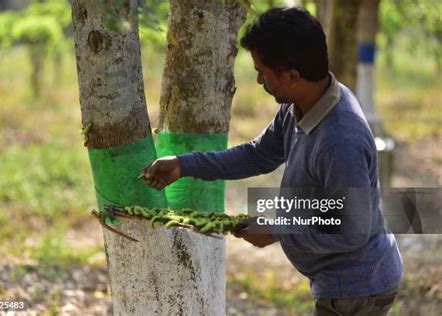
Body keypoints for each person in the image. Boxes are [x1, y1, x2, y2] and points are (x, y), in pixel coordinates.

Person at [143, 7, 403, 316]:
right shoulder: (301, 104)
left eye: (263, 73)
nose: (257, 81)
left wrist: (279, 229)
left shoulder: (340, 140)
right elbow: (258, 154)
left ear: (292, 76)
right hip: (340, 282)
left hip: (359, 288)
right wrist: (185, 165)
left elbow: (352, 229)